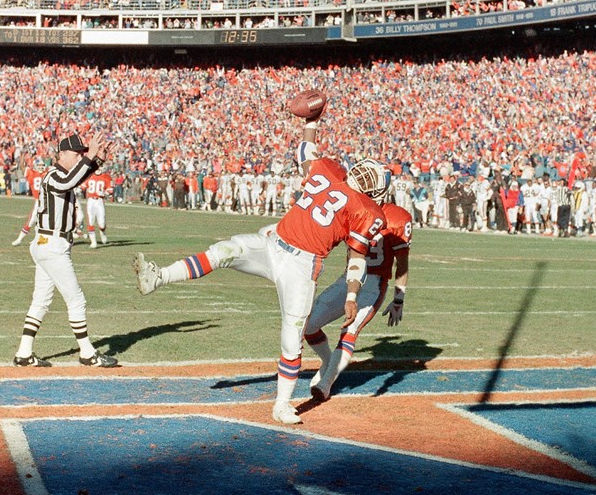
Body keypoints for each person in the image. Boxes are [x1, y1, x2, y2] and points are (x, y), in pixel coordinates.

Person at [133, 115, 387, 425]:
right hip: (274, 244)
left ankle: (281, 404)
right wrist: (351, 293)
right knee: (224, 251)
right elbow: (356, 257)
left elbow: (306, 149)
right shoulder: (356, 197)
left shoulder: (345, 188)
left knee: (292, 336)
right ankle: (158, 276)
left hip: (301, 265)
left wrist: (311, 121)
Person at [12, 132, 118, 369]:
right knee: (77, 300)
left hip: (48, 244)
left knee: (41, 301)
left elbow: (77, 177)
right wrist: (90, 157)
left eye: (81, 153)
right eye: (76, 154)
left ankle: (24, 353)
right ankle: (87, 353)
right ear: (62, 154)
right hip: (53, 245)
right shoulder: (53, 175)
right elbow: (70, 181)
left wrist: (97, 160)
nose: (79, 157)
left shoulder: (62, 174)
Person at [303, 190, 412, 402]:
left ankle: (326, 384)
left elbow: (402, 263)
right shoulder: (354, 208)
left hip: (374, 283)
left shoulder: (398, 217)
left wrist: (399, 298)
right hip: (349, 277)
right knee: (309, 325)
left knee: (350, 329)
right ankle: (327, 362)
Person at [83, 168, 112, 248]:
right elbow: (83, 186)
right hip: (91, 200)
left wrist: (106, 193)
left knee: (101, 223)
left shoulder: (106, 177)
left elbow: (110, 190)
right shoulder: (89, 175)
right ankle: (93, 242)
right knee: (91, 221)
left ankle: (102, 232)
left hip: (99, 200)